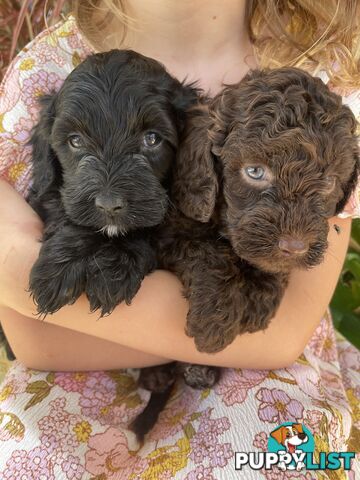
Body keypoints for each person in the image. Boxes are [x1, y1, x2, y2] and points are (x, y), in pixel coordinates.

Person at [0, 1, 359, 478]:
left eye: (152, 141)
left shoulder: (329, 82)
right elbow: (37, 341)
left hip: (268, 385)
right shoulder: (41, 72)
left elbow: (281, 337)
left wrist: (38, 286)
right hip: (71, 389)